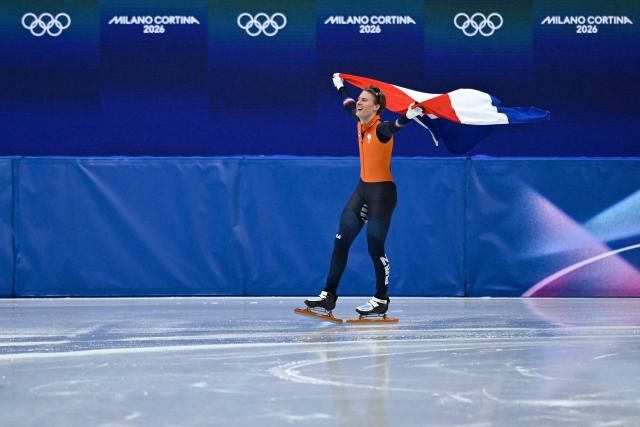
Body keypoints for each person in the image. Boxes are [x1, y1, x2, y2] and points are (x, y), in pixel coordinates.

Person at [304, 74, 423, 317]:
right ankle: (328, 296)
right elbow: (347, 102)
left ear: (377, 107)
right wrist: (339, 85)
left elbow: (394, 127)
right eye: (359, 99)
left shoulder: (380, 128)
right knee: (341, 241)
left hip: (382, 193)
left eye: (365, 100)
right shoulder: (359, 121)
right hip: (362, 190)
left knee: (374, 245)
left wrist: (407, 118)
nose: (359, 102)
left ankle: (381, 299)